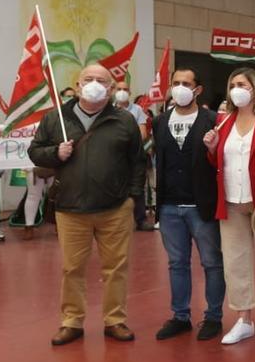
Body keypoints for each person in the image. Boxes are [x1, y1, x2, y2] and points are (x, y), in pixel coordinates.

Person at [29, 64, 145, 345]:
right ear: (78, 85)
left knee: (116, 267)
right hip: (71, 209)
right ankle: (72, 322)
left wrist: (131, 198)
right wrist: (55, 152)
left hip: (115, 208)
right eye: (89, 79)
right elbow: (35, 152)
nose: (94, 84)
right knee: (72, 268)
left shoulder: (124, 120)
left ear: (111, 88)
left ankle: (115, 320)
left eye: (101, 80)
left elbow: (138, 161)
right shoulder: (56, 118)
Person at [203, 68, 255, 347]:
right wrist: (212, 149)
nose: (236, 89)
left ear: (254, 88)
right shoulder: (223, 120)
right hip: (230, 200)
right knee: (234, 261)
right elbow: (218, 162)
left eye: (241, 84)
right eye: (232, 85)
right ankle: (244, 318)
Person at [151, 69, 226, 341]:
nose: (180, 88)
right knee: (177, 263)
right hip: (170, 205)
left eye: (186, 84)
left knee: (212, 262)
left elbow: (221, 161)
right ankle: (180, 315)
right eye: (176, 83)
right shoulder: (160, 121)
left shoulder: (213, 120)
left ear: (198, 89)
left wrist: (213, 150)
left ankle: (214, 316)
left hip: (201, 205)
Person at [113, 79, 155, 231]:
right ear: (113, 91)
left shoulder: (137, 110)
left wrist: (120, 139)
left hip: (133, 155)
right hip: (112, 156)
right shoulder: (107, 109)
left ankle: (141, 219)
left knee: (138, 187)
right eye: (119, 89)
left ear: (130, 93)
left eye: (125, 89)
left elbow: (143, 133)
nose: (122, 92)